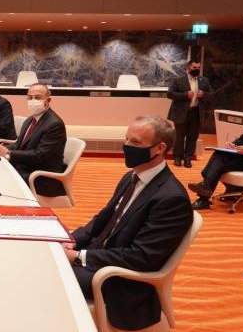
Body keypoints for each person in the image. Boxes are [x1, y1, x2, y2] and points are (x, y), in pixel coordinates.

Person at [64, 115, 193, 331]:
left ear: (160, 148)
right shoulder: (131, 177)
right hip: (100, 257)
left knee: (50, 275)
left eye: (135, 142)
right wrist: (70, 240)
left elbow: (142, 257)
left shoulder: (171, 198)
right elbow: (101, 221)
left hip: (119, 280)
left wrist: (78, 256)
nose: (126, 146)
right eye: (126, 139)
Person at [188, 98, 243, 210]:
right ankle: (208, 191)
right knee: (219, 154)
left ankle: (204, 194)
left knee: (219, 163)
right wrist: (233, 145)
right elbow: (242, 139)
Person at [0, 83, 67, 196]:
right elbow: (18, 145)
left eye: (38, 97)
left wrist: (8, 153)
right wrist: (1, 148)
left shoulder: (54, 124)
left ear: (48, 100)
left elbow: (40, 155)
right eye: (30, 97)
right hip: (26, 168)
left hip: (42, 177)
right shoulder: (30, 120)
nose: (33, 101)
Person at [167, 59, 213, 168]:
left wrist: (204, 94)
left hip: (196, 113)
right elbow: (170, 94)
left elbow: (211, 94)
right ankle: (178, 158)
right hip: (181, 113)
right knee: (179, 136)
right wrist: (185, 95)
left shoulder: (204, 81)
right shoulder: (179, 80)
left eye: (198, 68)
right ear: (188, 68)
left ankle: (188, 158)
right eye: (194, 67)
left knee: (193, 137)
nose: (197, 69)